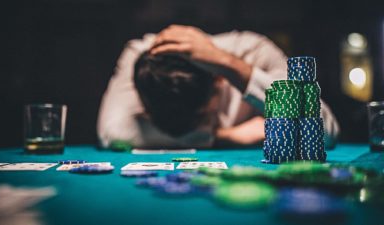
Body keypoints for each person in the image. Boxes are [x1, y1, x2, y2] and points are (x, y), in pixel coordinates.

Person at [97, 25, 339, 148]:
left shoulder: (254, 52)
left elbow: (324, 130)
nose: (189, 129)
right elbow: (112, 133)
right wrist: (225, 136)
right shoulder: (140, 56)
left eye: (202, 116)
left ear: (219, 81)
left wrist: (233, 67)